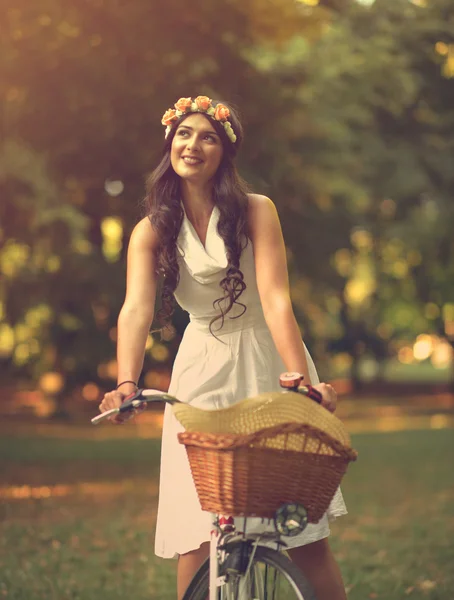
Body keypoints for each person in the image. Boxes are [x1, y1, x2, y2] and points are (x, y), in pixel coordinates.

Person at [99, 96, 348, 600]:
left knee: (299, 530)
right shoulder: (150, 230)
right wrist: (126, 383)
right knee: (196, 531)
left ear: (225, 152)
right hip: (199, 366)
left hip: (267, 357)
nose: (193, 144)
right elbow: (135, 311)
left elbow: (277, 299)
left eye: (208, 136)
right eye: (184, 134)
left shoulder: (256, 210)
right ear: (170, 143)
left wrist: (300, 377)